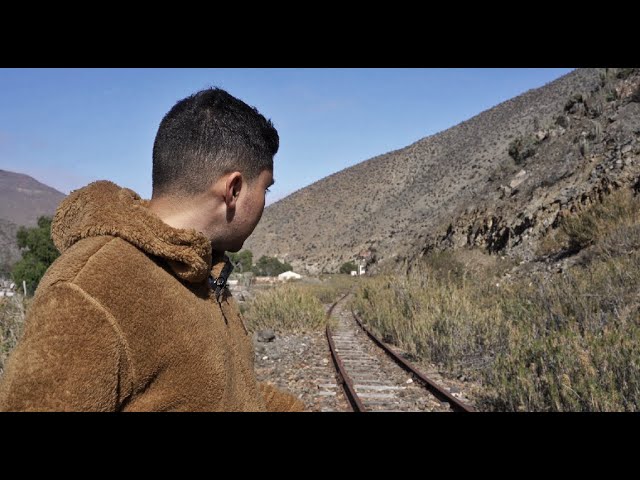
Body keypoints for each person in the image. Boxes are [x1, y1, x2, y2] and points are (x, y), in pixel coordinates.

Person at [0, 87, 305, 412]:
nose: (264, 203)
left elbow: (225, 388)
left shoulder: (203, 271)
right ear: (234, 189)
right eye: (266, 188)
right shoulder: (89, 290)